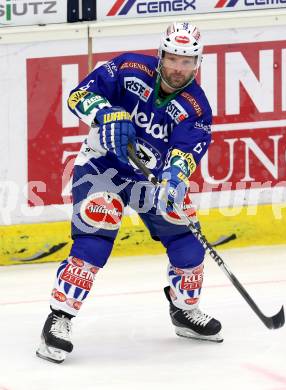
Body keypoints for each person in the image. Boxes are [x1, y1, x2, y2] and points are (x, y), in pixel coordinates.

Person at [36, 21, 223, 364]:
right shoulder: (128, 67)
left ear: (198, 62)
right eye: (172, 58)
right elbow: (78, 95)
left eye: (187, 61)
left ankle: (184, 311)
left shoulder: (196, 107)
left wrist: (175, 178)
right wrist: (106, 113)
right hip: (100, 168)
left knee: (188, 245)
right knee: (94, 239)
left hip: (148, 180)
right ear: (160, 54)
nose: (178, 68)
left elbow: (185, 153)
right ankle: (59, 317)